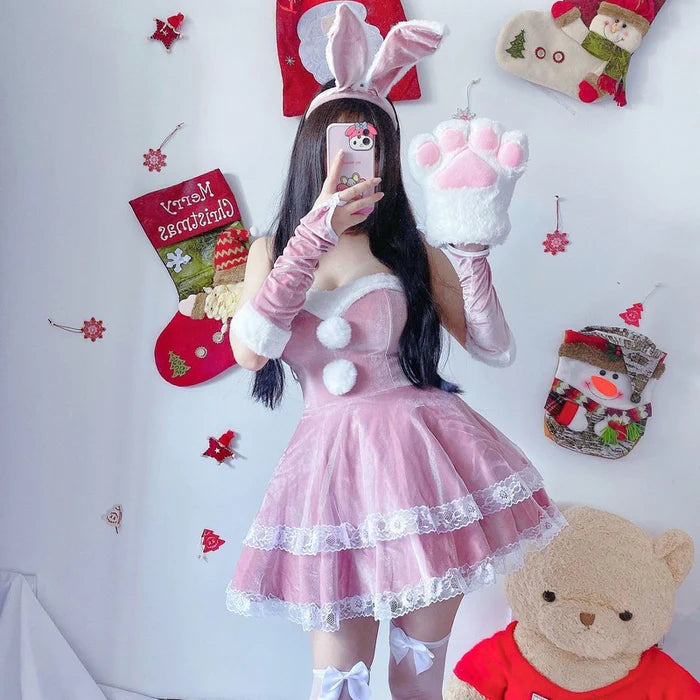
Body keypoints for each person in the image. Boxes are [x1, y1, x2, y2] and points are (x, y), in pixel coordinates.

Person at [226, 6, 565, 699]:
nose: (359, 158)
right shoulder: (272, 248)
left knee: (417, 679)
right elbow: (252, 353)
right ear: (312, 148)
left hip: (423, 464)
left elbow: (494, 347)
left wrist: (472, 248)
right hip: (329, 477)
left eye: (373, 144)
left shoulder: (410, 248)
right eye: (345, 142)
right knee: (337, 684)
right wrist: (314, 234)